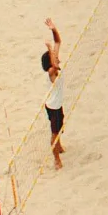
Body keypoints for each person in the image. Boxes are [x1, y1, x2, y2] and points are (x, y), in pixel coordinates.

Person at [42, 18, 66, 169]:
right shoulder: (52, 72)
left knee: (61, 127)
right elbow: (53, 65)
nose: (57, 56)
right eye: (54, 56)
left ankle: (60, 146)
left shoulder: (54, 65)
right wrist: (50, 50)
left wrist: (53, 29)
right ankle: (56, 160)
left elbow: (58, 42)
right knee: (55, 133)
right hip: (53, 107)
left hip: (56, 104)